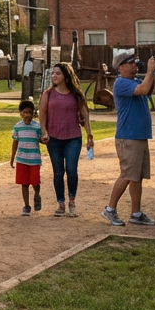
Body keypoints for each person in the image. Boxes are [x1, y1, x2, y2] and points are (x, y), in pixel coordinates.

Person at [102, 50, 155, 226]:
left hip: (138, 135)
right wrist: (150, 71)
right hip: (128, 136)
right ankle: (109, 209)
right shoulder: (120, 83)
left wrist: (154, 72)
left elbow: (150, 89)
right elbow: (143, 89)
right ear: (121, 67)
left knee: (136, 176)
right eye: (131, 62)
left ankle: (136, 213)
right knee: (127, 174)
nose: (135, 65)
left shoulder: (133, 81)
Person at [38, 62, 94, 218]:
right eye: (53, 73)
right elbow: (42, 114)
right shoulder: (48, 94)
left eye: (58, 73)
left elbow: (85, 114)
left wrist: (89, 134)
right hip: (54, 138)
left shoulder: (76, 94)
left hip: (73, 137)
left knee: (71, 170)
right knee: (58, 172)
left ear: (66, 76)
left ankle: (72, 200)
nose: (54, 76)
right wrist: (44, 131)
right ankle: (60, 203)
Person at [10, 100, 43, 216]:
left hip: (34, 159)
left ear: (33, 113)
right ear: (20, 113)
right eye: (25, 112)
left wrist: (44, 140)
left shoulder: (37, 127)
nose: (27, 115)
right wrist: (12, 157)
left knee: (35, 182)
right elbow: (15, 143)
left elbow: (41, 139)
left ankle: (37, 194)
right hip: (22, 159)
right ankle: (26, 205)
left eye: (29, 112)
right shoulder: (17, 127)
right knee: (24, 183)